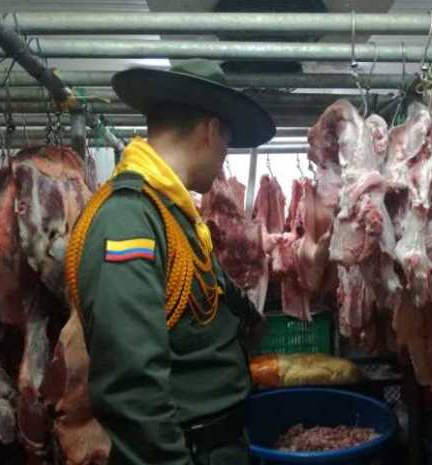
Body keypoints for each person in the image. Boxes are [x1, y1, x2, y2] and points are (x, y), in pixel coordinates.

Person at [65, 59, 275, 465]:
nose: (225, 157)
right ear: (211, 131)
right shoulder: (128, 219)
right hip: (185, 451)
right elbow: (132, 390)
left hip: (217, 444)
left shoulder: (174, 215)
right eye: (228, 142)